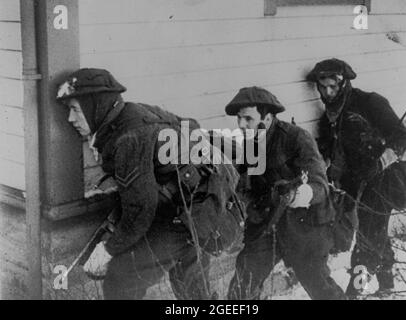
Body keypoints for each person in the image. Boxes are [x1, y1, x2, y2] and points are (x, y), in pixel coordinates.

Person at [56, 68, 242, 300]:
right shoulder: (135, 111)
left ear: (95, 105)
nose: (70, 119)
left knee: (122, 278)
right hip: (198, 204)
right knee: (192, 284)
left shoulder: (128, 139)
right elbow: (191, 125)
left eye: (75, 109)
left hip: (189, 213)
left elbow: (140, 209)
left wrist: (108, 249)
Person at [225, 86, 346, 300]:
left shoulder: (296, 138)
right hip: (267, 225)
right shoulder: (249, 145)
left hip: (304, 225)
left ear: (268, 117)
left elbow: (319, 182)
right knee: (243, 285)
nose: (241, 125)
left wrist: (299, 195)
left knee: (319, 286)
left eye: (248, 119)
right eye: (239, 119)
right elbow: (244, 186)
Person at [306, 58, 406, 297]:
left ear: (344, 83)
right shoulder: (329, 119)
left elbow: (402, 137)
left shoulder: (369, 102)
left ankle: (353, 293)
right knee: (375, 235)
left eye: (333, 86)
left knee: (366, 244)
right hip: (356, 188)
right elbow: (327, 151)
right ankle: (387, 286)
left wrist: (384, 158)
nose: (328, 92)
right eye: (322, 87)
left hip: (381, 183)